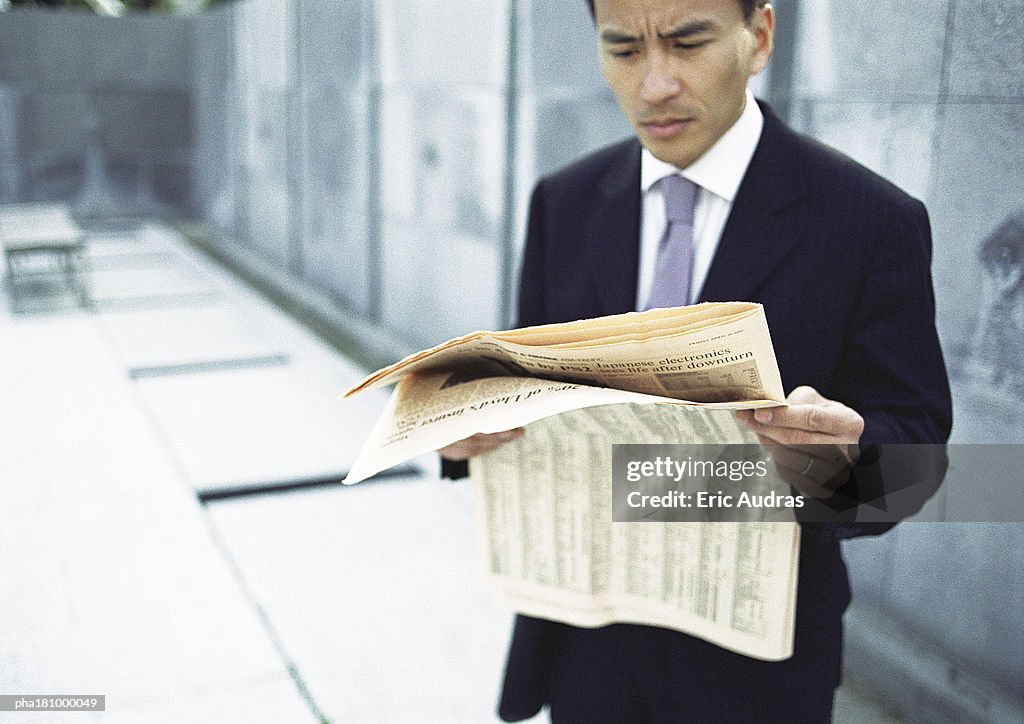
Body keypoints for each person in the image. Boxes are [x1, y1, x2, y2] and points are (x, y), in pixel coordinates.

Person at [441, 0, 952, 721]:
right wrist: (471, 434)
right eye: (623, 51)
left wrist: (846, 467)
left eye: (687, 43)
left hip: (755, 663)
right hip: (585, 639)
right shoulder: (564, 201)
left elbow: (918, 464)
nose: (654, 86)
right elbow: (529, 392)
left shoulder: (870, 220)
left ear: (760, 36)